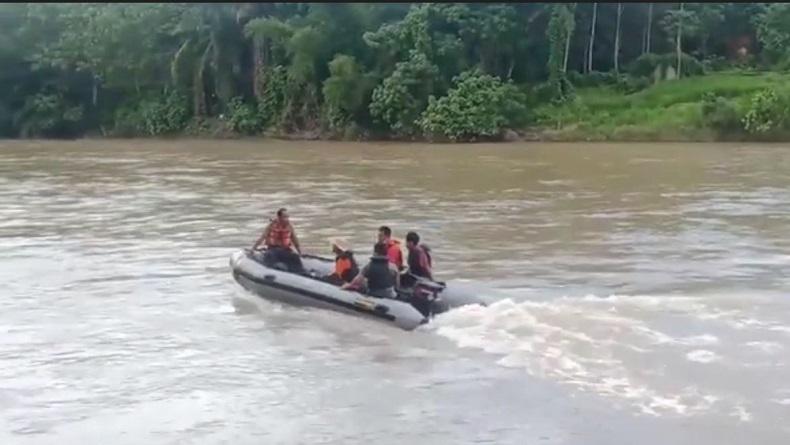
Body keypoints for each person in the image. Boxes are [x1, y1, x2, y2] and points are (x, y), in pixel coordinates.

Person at [251, 208, 304, 273]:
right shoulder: (271, 225)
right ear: (279, 217)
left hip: (285, 250)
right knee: (270, 255)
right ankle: (270, 272)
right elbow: (262, 237)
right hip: (273, 250)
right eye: (285, 217)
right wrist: (253, 249)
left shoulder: (290, 226)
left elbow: (295, 240)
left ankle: (300, 273)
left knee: (295, 257)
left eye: (287, 217)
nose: (287, 219)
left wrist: (300, 253)